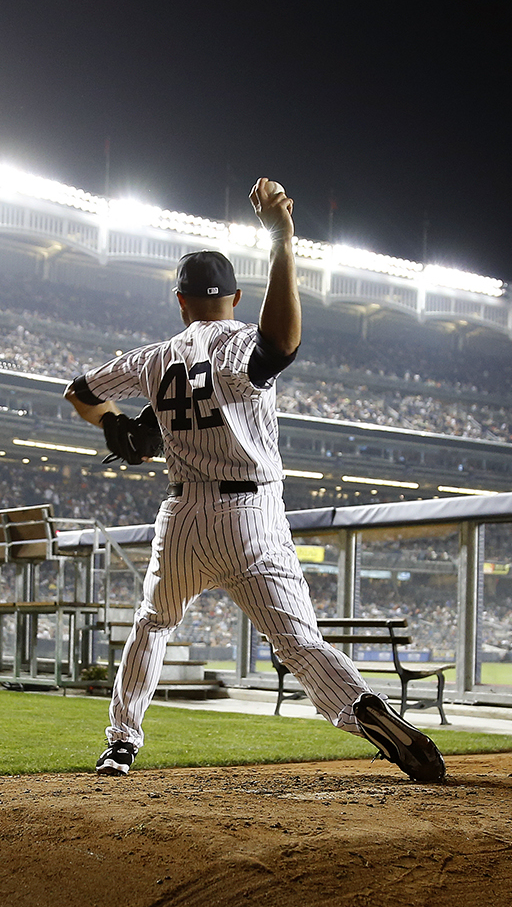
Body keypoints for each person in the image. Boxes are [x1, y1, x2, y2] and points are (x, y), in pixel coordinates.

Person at [64, 177, 445, 782]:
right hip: (252, 519)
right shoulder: (239, 342)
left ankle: (121, 745)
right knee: (299, 645)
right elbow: (281, 345)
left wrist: (120, 428)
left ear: (180, 301)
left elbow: (79, 394)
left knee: (152, 624)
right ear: (235, 298)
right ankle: (362, 708)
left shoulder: (153, 357)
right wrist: (283, 240)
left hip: (184, 518)